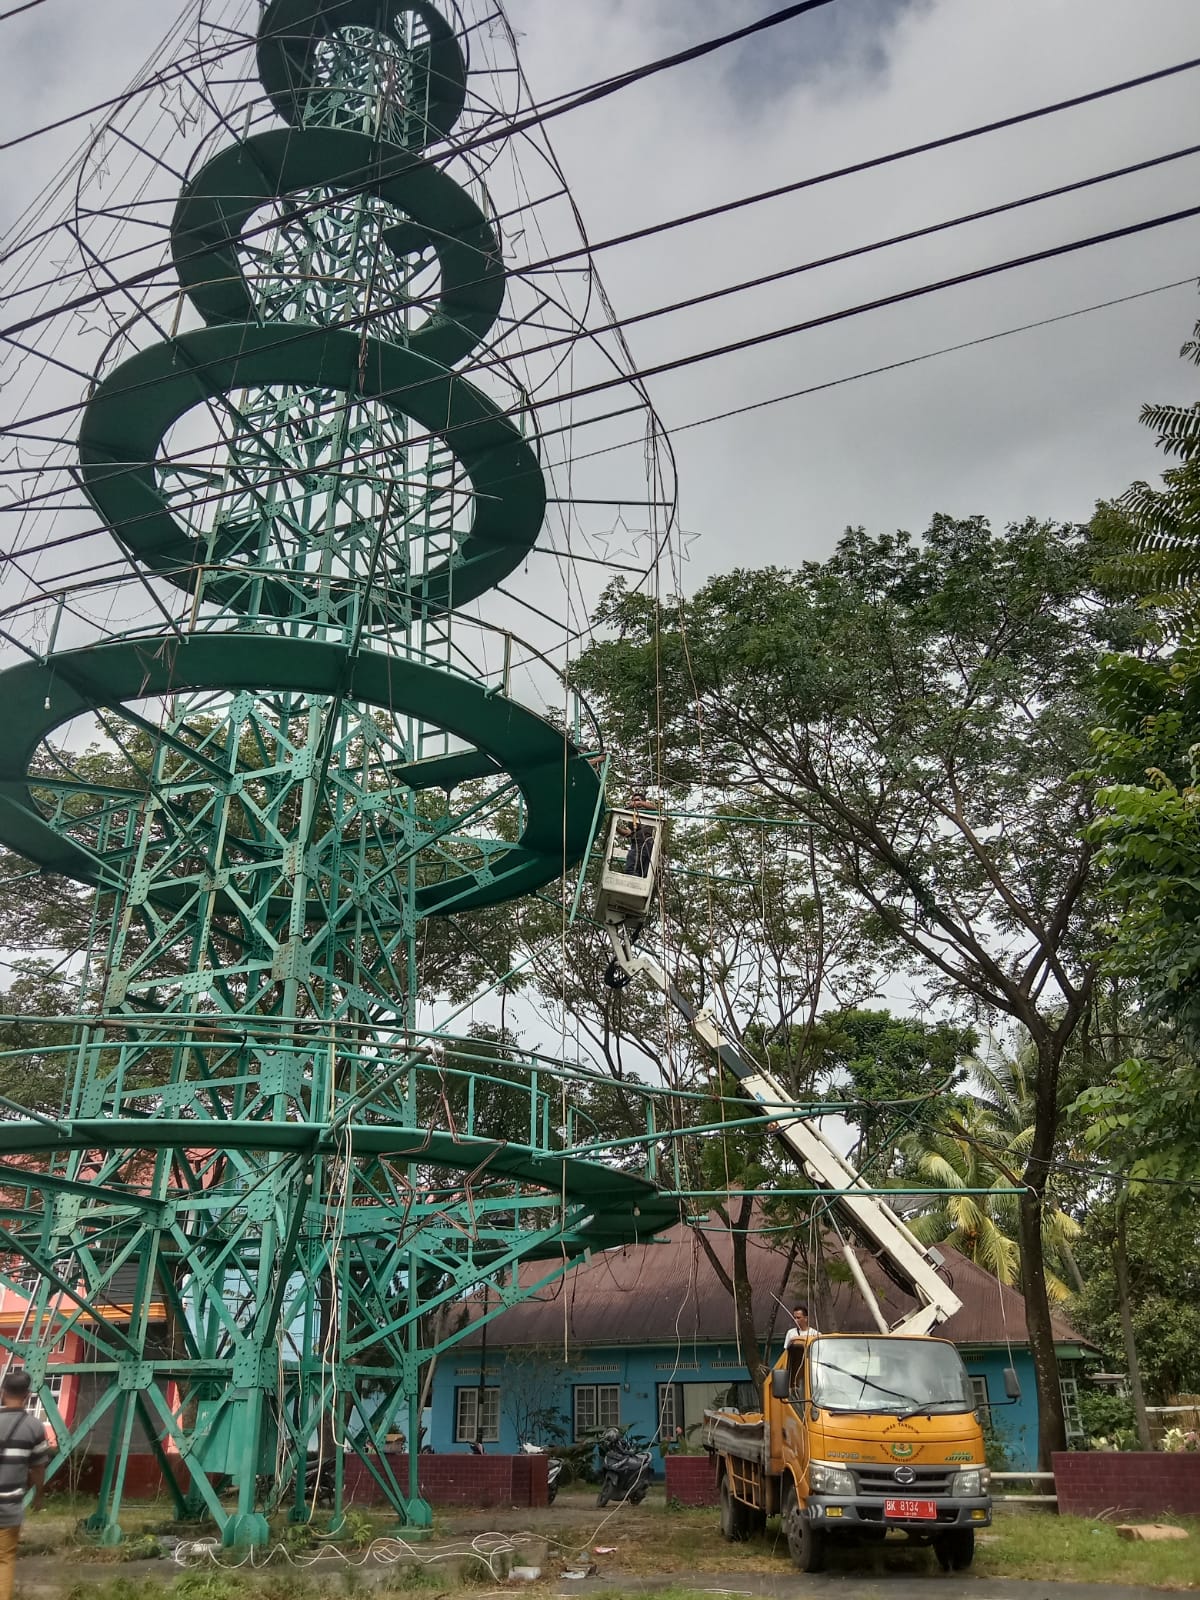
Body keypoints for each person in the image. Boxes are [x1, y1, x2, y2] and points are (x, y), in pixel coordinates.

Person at [0, 1370, 49, 1600]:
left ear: (2, 1393)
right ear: (28, 1396)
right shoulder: (35, 1427)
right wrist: (39, 1498)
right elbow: (38, 1469)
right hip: (9, 1508)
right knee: (5, 1560)